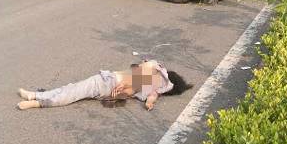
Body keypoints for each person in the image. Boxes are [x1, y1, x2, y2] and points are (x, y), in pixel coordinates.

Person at [16, 60, 192, 111]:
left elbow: (141, 73)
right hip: (112, 92)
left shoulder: (157, 71)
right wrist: (149, 104)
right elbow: (150, 97)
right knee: (72, 89)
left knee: (72, 92)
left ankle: (37, 102)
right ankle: (35, 95)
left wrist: (125, 83)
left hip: (111, 82)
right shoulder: (159, 87)